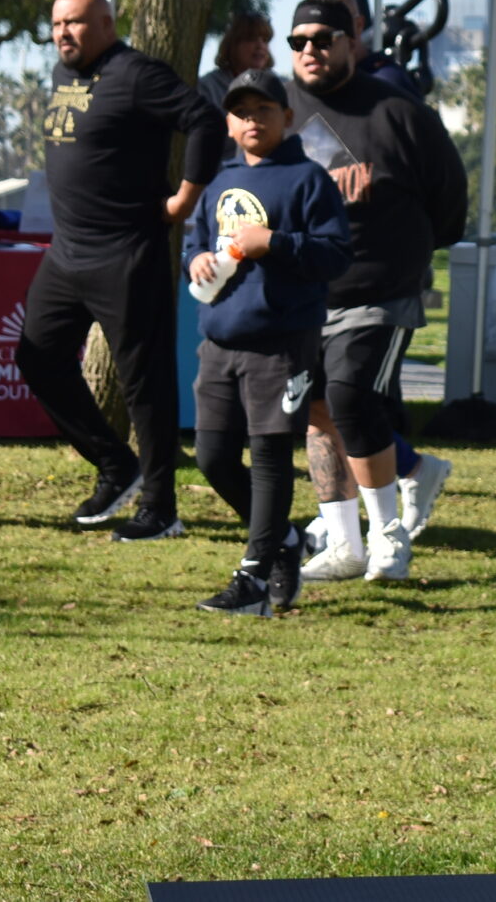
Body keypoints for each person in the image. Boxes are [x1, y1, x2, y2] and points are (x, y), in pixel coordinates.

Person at [15, 0, 226, 542]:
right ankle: (115, 464)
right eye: (56, 24)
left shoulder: (136, 74)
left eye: (75, 23)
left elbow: (204, 120)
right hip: (66, 254)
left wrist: (184, 200)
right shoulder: (62, 75)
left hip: (127, 253)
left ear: (106, 24)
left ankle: (160, 508)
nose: (63, 33)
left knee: (144, 383)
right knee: (37, 356)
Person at [282, 0, 468, 581]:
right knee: (315, 409)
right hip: (304, 294)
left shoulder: (398, 111)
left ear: (352, 43)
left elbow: (449, 200)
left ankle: (387, 536)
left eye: (322, 39)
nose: (310, 50)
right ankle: (343, 542)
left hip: (379, 290)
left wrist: (405, 257)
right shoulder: (279, 111)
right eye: (298, 41)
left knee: (351, 397)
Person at [184, 68, 351, 617]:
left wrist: (274, 242)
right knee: (212, 456)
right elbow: (195, 242)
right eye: (242, 112)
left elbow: (335, 255)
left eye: (264, 110)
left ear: (287, 117)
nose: (252, 120)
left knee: (270, 454)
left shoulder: (309, 179)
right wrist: (196, 258)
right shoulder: (221, 179)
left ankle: (254, 577)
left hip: (282, 343)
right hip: (220, 339)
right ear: (229, 123)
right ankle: (283, 539)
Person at [199, 13, 276, 111]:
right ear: (233, 45)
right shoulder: (208, 87)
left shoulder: (281, 86)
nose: (260, 46)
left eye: (265, 40)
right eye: (251, 39)